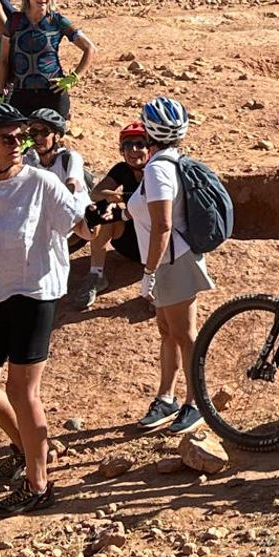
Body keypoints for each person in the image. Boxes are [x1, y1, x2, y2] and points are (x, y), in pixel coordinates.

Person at [0, 101, 90, 516]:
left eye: (20, 137)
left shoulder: (42, 182)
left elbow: (80, 226)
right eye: (7, 138)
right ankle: (28, 448)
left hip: (34, 293)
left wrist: (101, 214)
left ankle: (38, 485)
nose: (17, 144)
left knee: (21, 390)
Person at [132, 97, 214, 436]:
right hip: (171, 259)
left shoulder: (157, 169)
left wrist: (149, 273)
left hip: (171, 260)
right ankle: (166, 397)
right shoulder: (170, 161)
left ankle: (197, 402)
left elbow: (163, 225)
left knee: (184, 334)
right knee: (168, 331)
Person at [0, 0, 94, 120]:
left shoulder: (58, 21)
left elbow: (89, 48)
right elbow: (3, 60)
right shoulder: (14, 22)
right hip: (21, 94)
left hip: (53, 93)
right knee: (21, 134)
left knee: (52, 134)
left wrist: (73, 78)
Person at [75, 122, 148, 310]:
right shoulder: (122, 169)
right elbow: (96, 193)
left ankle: (160, 282)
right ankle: (96, 274)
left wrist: (125, 201)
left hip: (155, 243)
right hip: (130, 243)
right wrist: (113, 197)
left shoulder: (157, 171)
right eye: (127, 145)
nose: (133, 150)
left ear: (150, 148)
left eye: (140, 144)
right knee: (102, 210)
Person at [23, 108, 87, 193]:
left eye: (45, 132)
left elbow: (72, 185)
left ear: (57, 136)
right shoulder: (29, 160)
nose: (38, 137)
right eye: (34, 132)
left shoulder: (70, 158)